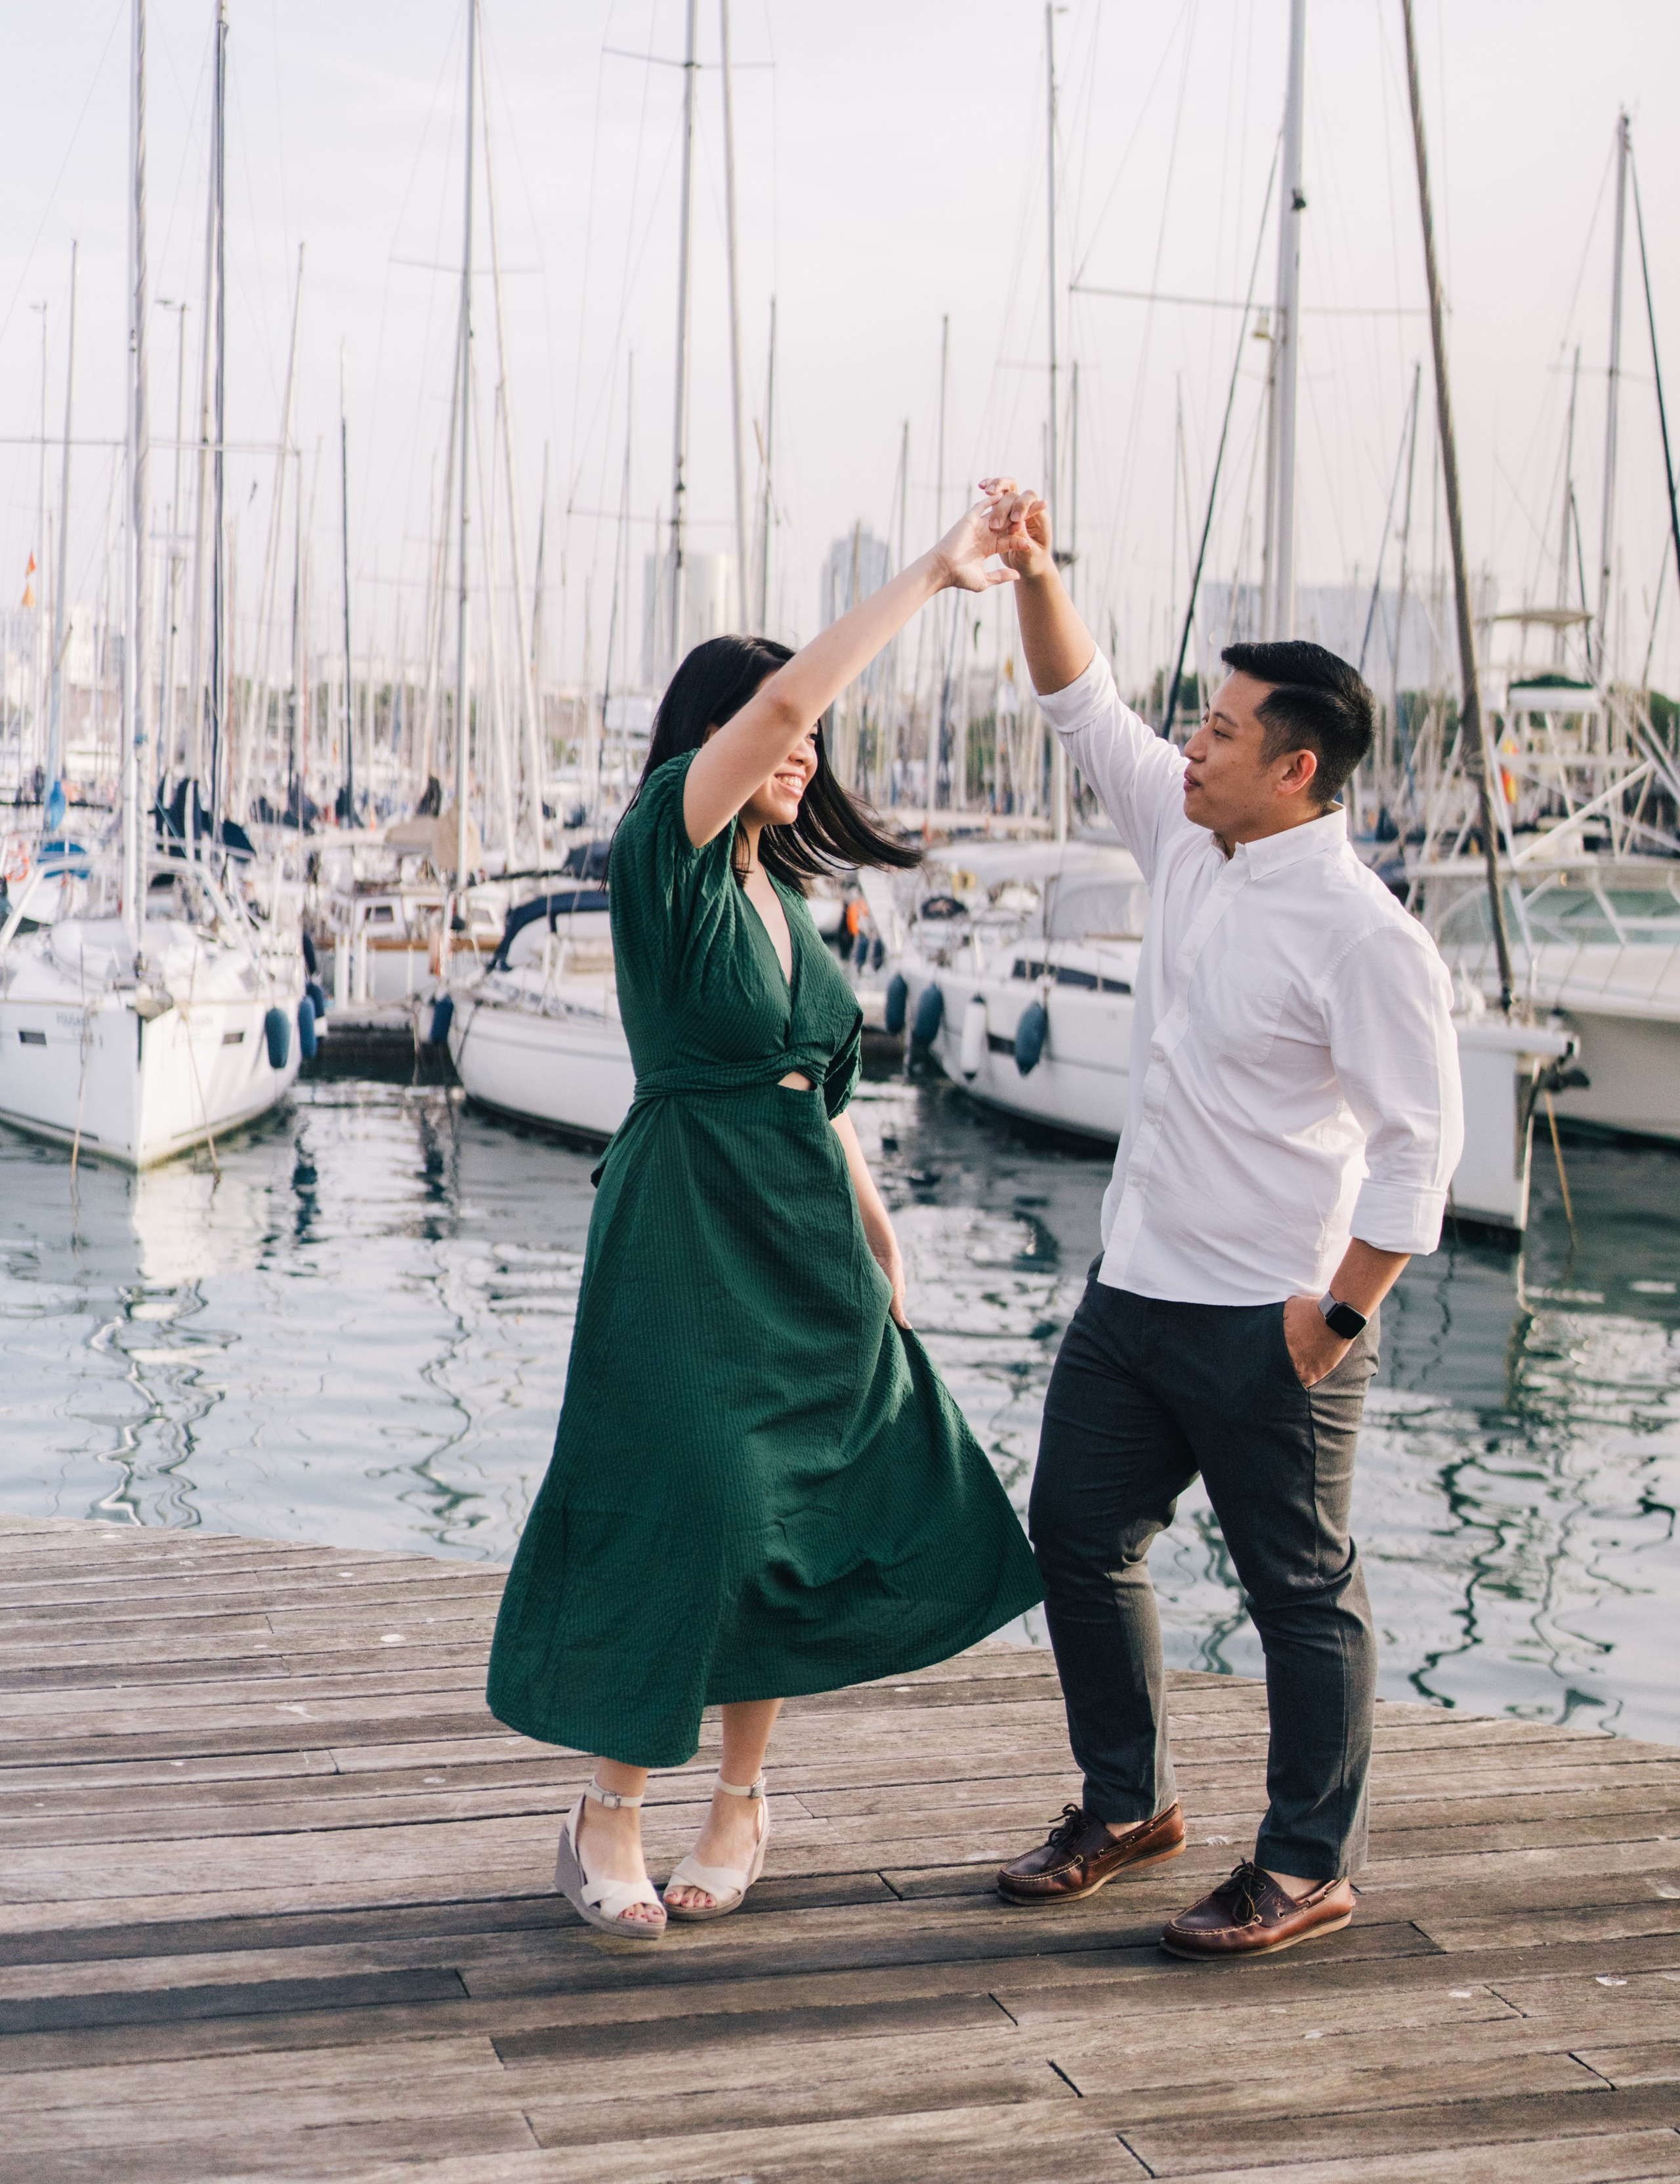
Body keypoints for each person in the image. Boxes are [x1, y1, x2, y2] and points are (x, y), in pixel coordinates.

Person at [488, 505, 1043, 1939]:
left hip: (803, 1234)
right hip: (686, 1221)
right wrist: (931, 573)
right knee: (691, 1501)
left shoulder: (788, 898)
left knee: (790, 1514)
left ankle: (740, 1800)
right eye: (769, 726)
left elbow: (827, 1090)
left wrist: (878, 1229)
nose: (800, 745)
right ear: (706, 740)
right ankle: (605, 1809)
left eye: (805, 736)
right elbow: (794, 692)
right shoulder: (666, 851)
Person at [984, 480, 1463, 1960]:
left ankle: (1307, 1862)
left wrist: (1332, 1319)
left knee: (1297, 1596)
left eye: (1220, 729)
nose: (1190, 742)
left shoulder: (1365, 938)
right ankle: (1125, 1804)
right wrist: (1033, 570)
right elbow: (1079, 704)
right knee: (1072, 1533)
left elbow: (1415, 1150)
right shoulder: (1190, 842)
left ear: (1294, 766)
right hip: (1134, 1296)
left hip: (1273, 1317)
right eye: (1197, 721)